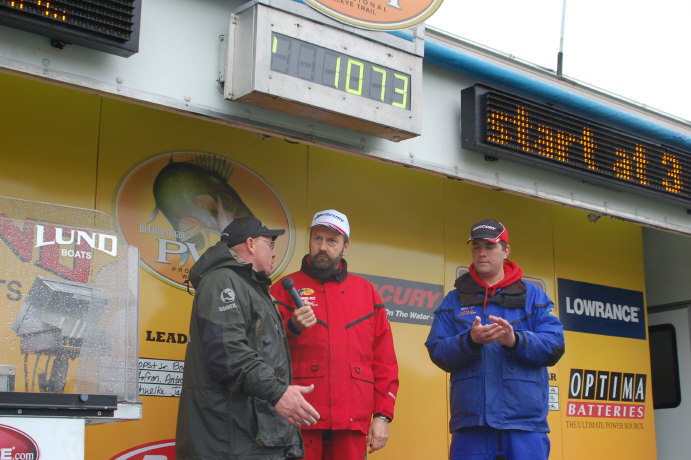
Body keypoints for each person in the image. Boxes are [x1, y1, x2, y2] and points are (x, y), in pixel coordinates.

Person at [176, 216, 320, 460]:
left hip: (253, 441)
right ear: (251, 244)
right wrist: (278, 392)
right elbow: (227, 353)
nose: (274, 253)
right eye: (270, 244)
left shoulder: (252, 288)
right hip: (229, 444)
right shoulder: (222, 281)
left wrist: (291, 328)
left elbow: (256, 348)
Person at [425, 219, 565, 460]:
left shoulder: (534, 297)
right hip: (471, 428)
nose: (481, 253)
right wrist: (469, 341)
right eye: (476, 246)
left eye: (489, 246)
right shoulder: (454, 300)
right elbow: (437, 349)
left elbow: (554, 345)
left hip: (525, 428)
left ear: (506, 251)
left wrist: (515, 340)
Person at [270, 209, 399, 460]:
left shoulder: (366, 292)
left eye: (332, 241)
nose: (322, 247)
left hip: (351, 423)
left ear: (345, 247)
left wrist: (382, 416)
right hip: (299, 419)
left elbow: (384, 361)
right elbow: (261, 348)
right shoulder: (283, 289)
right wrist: (291, 327)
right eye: (317, 238)